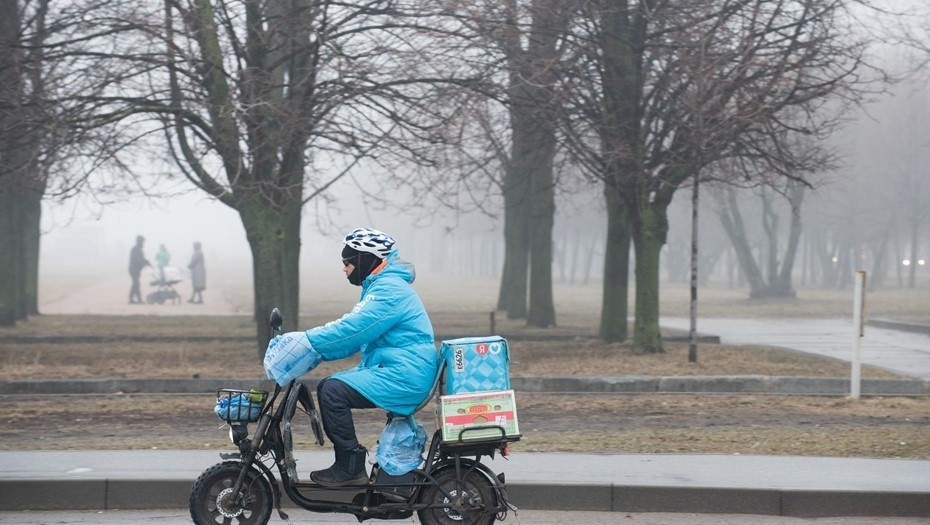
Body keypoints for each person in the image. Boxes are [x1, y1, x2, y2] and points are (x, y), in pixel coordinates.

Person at [263, 227, 438, 487]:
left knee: (333, 391)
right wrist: (315, 349)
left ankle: (350, 467)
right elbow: (353, 334)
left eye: (347, 261)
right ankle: (355, 468)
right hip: (400, 369)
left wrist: (308, 342)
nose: (344, 268)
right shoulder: (383, 286)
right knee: (332, 385)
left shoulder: (389, 290)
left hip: (405, 375)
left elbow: (354, 330)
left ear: (365, 259)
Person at [128, 235, 151, 304]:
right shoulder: (135, 249)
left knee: (135, 284)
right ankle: (139, 299)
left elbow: (141, 259)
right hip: (133, 269)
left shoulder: (139, 249)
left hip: (137, 270)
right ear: (139, 241)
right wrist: (143, 263)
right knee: (136, 284)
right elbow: (136, 260)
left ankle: (131, 298)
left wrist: (147, 262)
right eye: (142, 241)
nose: (143, 243)